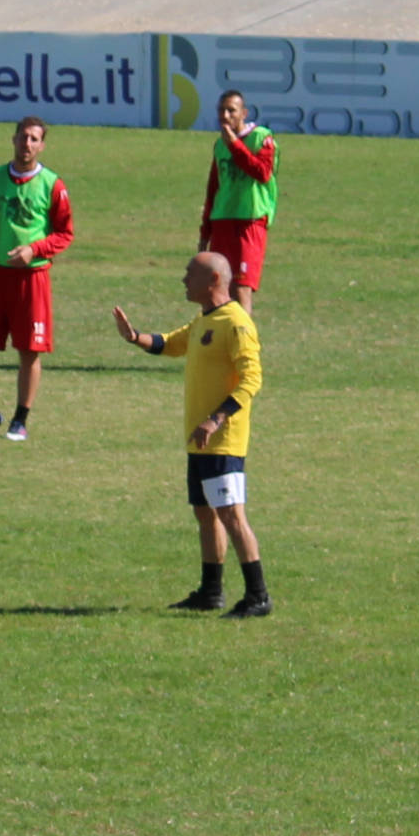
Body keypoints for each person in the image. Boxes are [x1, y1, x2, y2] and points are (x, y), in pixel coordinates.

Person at [112, 252, 272, 618]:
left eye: (189, 274)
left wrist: (216, 419)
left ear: (214, 280)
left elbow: (252, 379)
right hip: (199, 441)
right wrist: (135, 337)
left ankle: (258, 596)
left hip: (223, 440)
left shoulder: (236, 324)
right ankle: (211, 591)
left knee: (232, 515)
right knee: (205, 514)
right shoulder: (204, 320)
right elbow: (170, 343)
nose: (183, 280)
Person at [0, 116, 74, 441]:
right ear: (13, 139)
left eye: (34, 139)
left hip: (31, 278)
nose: (27, 144)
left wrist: (34, 250)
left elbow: (65, 234)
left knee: (29, 350)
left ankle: (20, 419)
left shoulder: (53, 184)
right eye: (23, 137)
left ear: (42, 145)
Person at [199, 89, 278, 315]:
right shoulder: (219, 145)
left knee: (242, 287)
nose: (225, 116)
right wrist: (206, 232)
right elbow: (213, 189)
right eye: (221, 110)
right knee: (220, 288)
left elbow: (262, 172)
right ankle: (222, 343)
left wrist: (235, 144)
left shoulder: (262, 138)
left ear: (244, 113)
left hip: (249, 221)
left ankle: (245, 346)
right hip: (222, 220)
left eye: (231, 110)